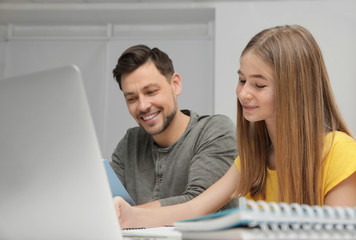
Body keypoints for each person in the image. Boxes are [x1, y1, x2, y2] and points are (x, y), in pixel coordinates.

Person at [113, 25, 356, 228]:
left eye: (259, 85)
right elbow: (194, 208)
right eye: (242, 80)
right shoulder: (253, 158)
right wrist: (128, 215)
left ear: (294, 91)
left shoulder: (340, 153)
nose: (243, 93)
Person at [111, 45, 238, 209]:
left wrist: (127, 215)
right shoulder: (130, 142)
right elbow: (106, 203)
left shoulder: (215, 130)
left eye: (151, 92)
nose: (142, 106)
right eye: (132, 98)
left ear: (176, 84)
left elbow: (200, 204)